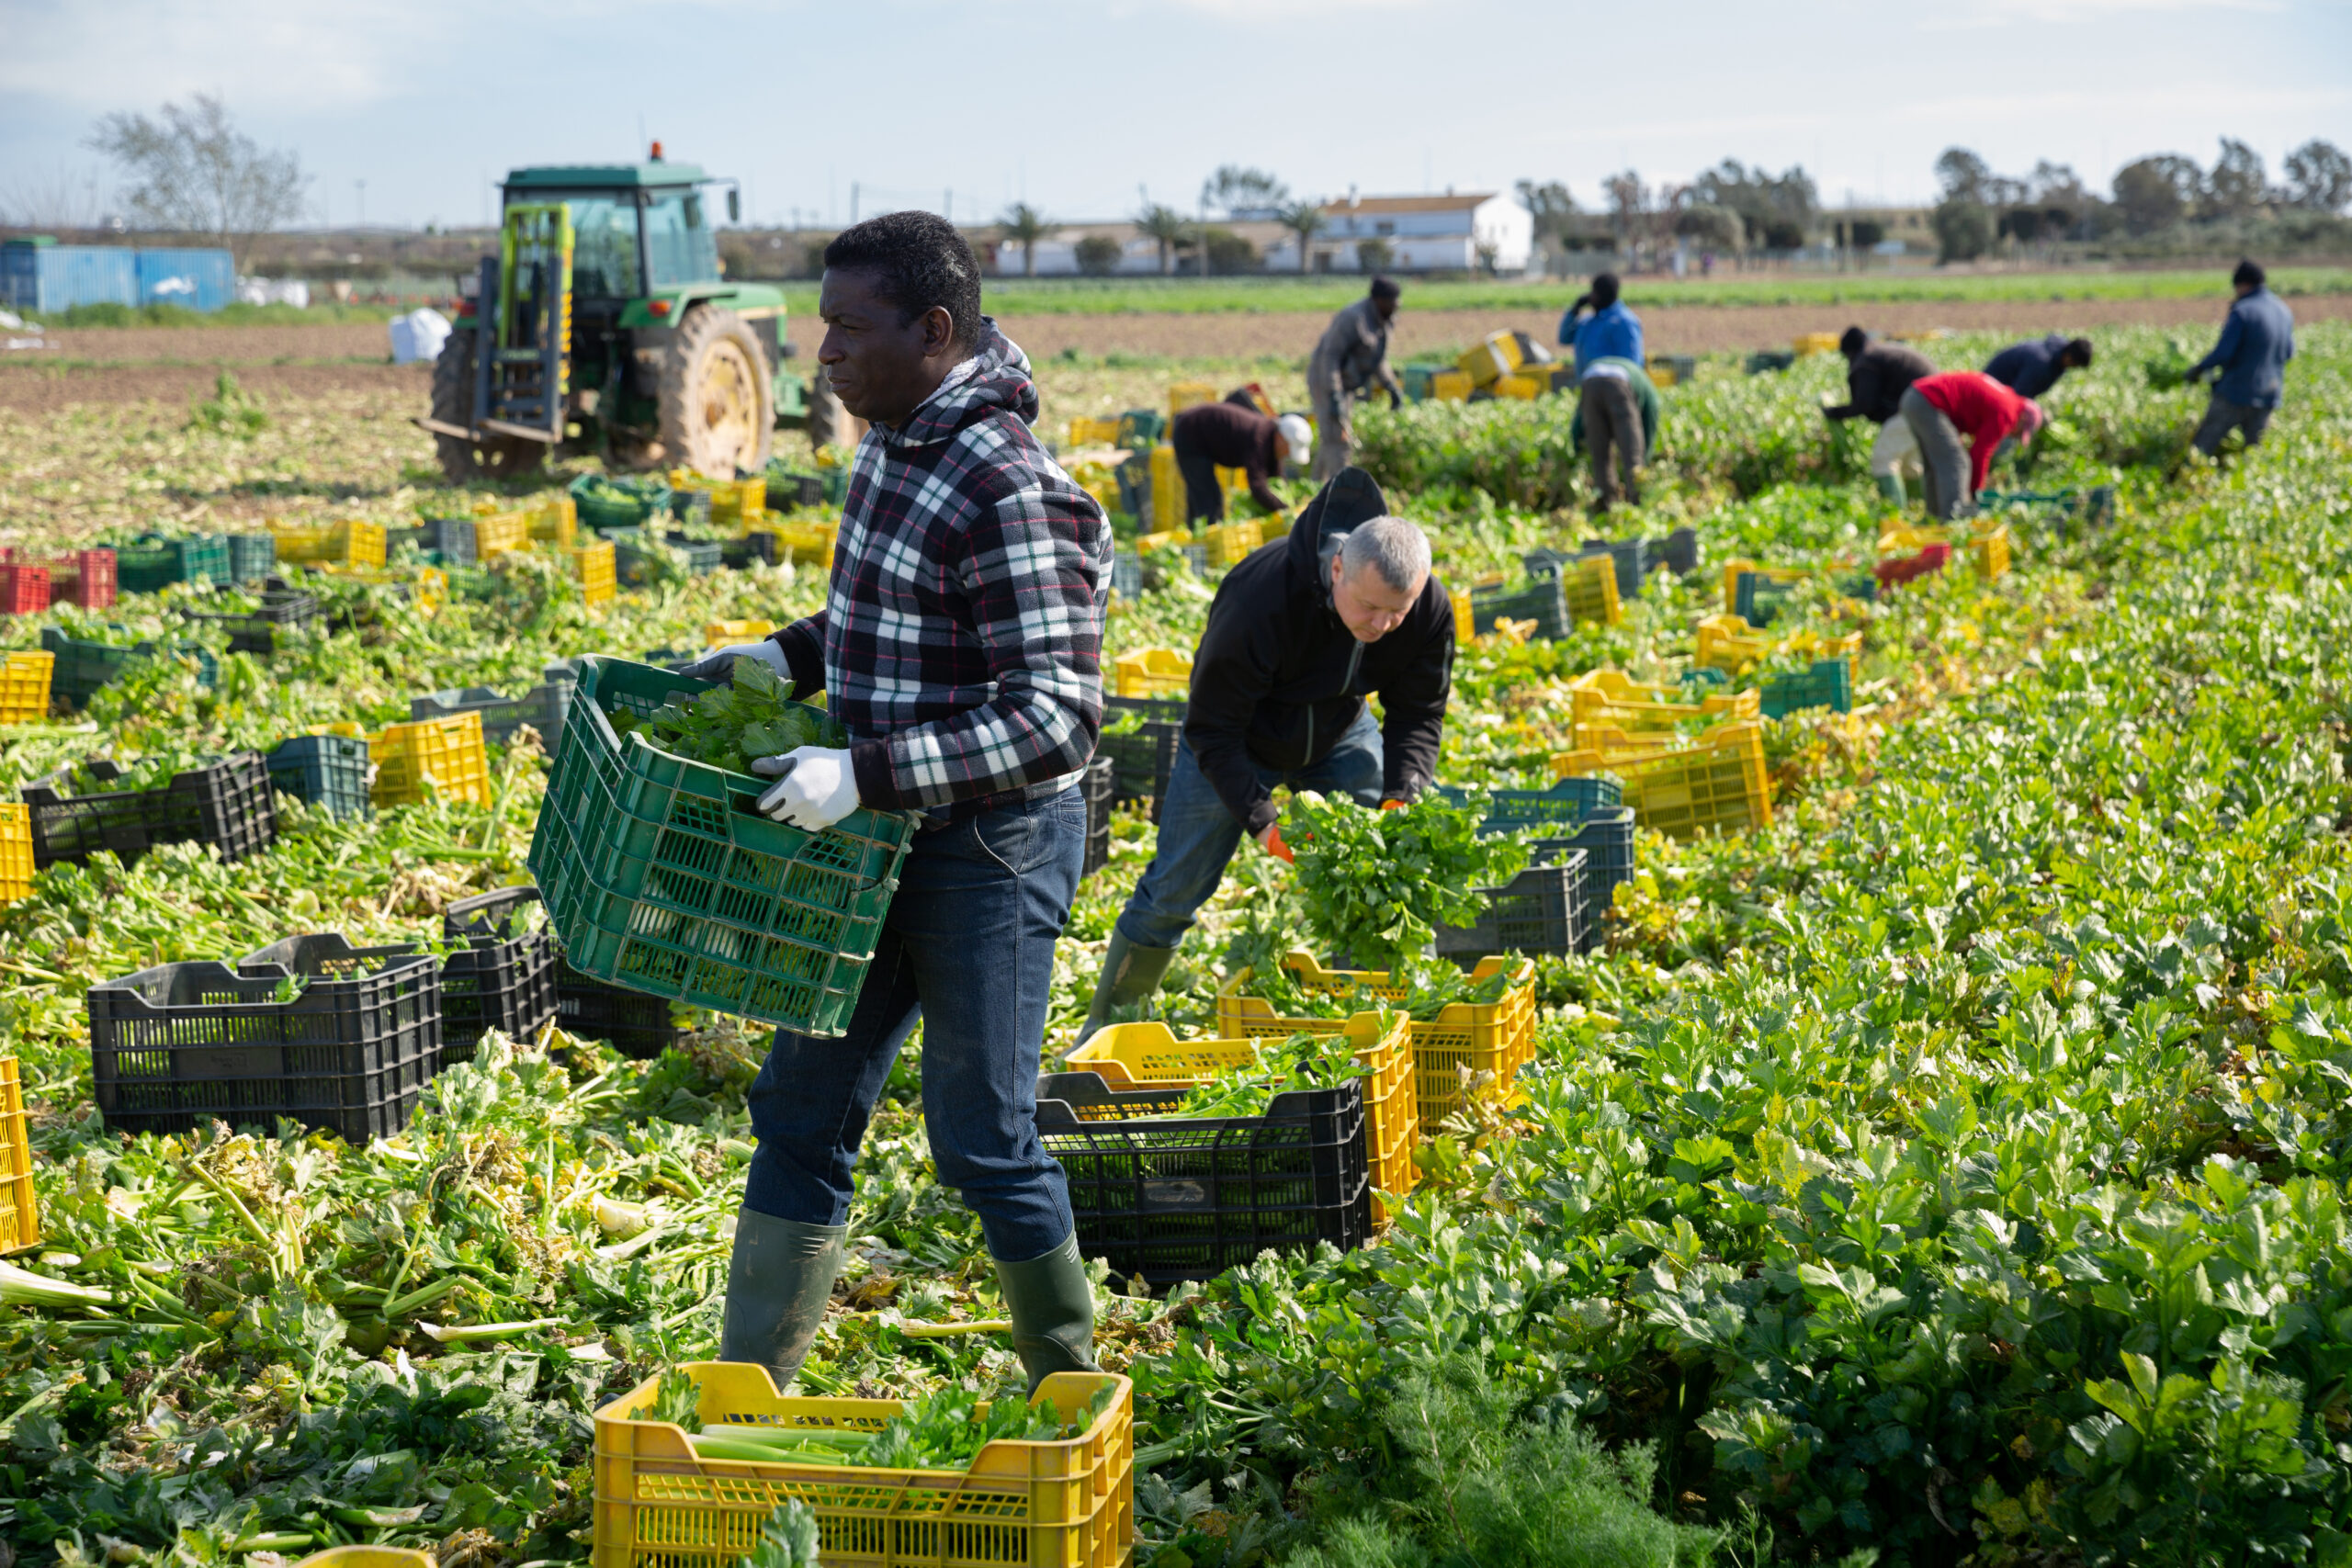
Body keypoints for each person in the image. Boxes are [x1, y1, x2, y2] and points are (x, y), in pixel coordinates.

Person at [683, 210, 1112, 1399]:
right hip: (870, 841)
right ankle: (745, 1394)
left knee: (982, 1137)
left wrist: (863, 774)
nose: (824, 350)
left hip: (990, 847)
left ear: (935, 330)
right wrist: (791, 656)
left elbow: (1057, 715)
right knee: (801, 1108)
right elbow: (897, 619)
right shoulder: (891, 444)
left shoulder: (1013, 487)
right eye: (823, 324)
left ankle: (1069, 1387)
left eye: (847, 326)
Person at [1078, 469, 1454, 1037]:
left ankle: (1373, 1020)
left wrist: (1403, 794)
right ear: (1336, 571)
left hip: (1339, 731)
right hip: (1239, 740)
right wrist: (1261, 821)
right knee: (1173, 889)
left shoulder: (1425, 609)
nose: (1383, 625)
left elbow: (1418, 713)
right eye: (1371, 607)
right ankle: (1108, 1029)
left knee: (1378, 869)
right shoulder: (1262, 599)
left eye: (1397, 612)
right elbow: (1211, 729)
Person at [2181, 258, 2296, 469]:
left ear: (2242, 285)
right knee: (2254, 454)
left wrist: (2198, 369)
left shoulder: (2243, 310)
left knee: (2203, 446)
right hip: (2268, 394)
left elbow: (2223, 353)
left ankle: (2184, 485)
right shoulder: (2283, 310)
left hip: (2235, 393)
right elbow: (2289, 353)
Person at [1898, 369, 2044, 521]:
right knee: (1957, 462)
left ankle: (1933, 521)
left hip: (1915, 397)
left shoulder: (2006, 398)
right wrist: (1976, 494)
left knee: (1936, 465)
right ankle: (1953, 523)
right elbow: (1980, 454)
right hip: (1929, 401)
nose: (2014, 435)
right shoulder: (2007, 413)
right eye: (2020, 432)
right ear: (2022, 419)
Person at [1557, 273, 1646, 511]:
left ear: (1603, 294)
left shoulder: (1624, 321)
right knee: (1601, 450)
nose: (1591, 297)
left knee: (1630, 449)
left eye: (1594, 292)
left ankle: (1637, 502)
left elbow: (1633, 362)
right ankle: (1607, 506)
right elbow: (1564, 336)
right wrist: (1574, 309)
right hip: (1590, 387)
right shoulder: (1588, 321)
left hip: (1619, 388)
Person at [1821, 326, 1935, 506]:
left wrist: (1834, 412)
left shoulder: (1866, 361)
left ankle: (1895, 517)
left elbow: (1865, 403)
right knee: (1910, 463)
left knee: (1884, 458)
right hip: (1933, 405)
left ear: (1849, 352)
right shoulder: (1879, 352)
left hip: (1918, 406)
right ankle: (1919, 511)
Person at [1307, 278, 1404, 481]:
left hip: (1348, 384)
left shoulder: (1386, 320)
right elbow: (1330, 358)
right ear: (1379, 300)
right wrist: (1333, 396)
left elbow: (1378, 358)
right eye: (1393, 300)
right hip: (1325, 378)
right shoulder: (1352, 318)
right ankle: (1339, 494)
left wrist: (1390, 386)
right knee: (1339, 439)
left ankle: (1315, 487)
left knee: (1332, 438)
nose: (1398, 304)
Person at [1170, 400, 1310, 525]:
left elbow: (1276, 477)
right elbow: (1258, 487)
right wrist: (1285, 510)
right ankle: (1207, 546)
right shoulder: (1260, 439)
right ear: (1280, 437)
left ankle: (1196, 540)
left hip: (1199, 433)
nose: (1287, 455)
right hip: (1190, 433)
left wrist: (1290, 501)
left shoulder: (1270, 438)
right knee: (1210, 502)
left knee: (1202, 498)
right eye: (1288, 449)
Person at [1984, 333, 2093, 400]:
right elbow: (2018, 395)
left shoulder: (2056, 358)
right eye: (2075, 365)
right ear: (2069, 357)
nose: (2072, 368)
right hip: (1991, 389)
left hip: (2003, 389)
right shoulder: (2042, 362)